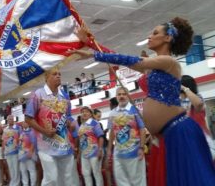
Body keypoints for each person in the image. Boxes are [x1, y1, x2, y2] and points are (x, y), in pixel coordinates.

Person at [70, 17, 215, 185]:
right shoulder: (155, 66)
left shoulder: (169, 62)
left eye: (155, 33)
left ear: (167, 38)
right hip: (164, 135)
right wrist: (90, 43)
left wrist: (94, 54)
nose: (150, 36)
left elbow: (134, 61)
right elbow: (121, 57)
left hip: (178, 131)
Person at [25, 67, 76, 186]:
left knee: (68, 178)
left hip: (64, 144)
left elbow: (68, 116)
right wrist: (44, 131)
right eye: (54, 74)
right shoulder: (38, 94)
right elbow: (28, 118)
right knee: (51, 178)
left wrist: (70, 123)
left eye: (59, 74)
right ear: (46, 77)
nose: (58, 76)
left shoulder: (65, 96)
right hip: (46, 145)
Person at [107, 87, 147, 186]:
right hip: (118, 153)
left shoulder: (135, 110)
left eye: (124, 94)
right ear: (116, 97)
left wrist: (141, 147)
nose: (121, 96)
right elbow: (112, 132)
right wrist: (109, 149)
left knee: (137, 181)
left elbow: (142, 129)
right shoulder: (112, 113)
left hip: (134, 151)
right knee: (121, 181)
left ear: (128, 96)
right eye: (119, 94)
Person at [181, 75, 215, 159]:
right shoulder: (177, 101)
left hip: (199, 137)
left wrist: (185, 89)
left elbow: (198, 104)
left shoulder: (197, 97)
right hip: (185, 138)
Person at [77, 106, 104, 186]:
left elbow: (101, 137)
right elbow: (81, 141)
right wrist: (79, 154)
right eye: (82, 112)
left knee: (96, 173)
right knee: (85, 174)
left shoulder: (94, 123)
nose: (84, 113)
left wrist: (100, 150)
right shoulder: (81, 126)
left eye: (86, 111)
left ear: (90, 113)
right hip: (84, 154)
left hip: (94, 152)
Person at [2, 115, 21, 186]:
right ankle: (13, 182)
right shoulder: (5, 129)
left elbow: (21, 138)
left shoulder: (17, 127)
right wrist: (4, 151)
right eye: (8, 119)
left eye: (11, 119)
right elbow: (3, 140)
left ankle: (17, 183)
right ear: (7, 120)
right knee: (11, 168)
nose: (10, 120)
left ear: (13, 120)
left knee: (16, 167)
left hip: (15, 151)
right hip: (7, 152)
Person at [18, 121, 37, 186]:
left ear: (29, 124)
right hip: (21, 154)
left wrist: (30, 152)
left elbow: (33, 142)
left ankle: (33, 184)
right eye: (23, 122)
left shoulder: (32, 132)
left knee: (31, 170)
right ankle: (25, 184)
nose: (23, 123)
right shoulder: (21, 132)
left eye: (25, 122)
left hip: (29, 154)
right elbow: (20, 143)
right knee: (23, 171)